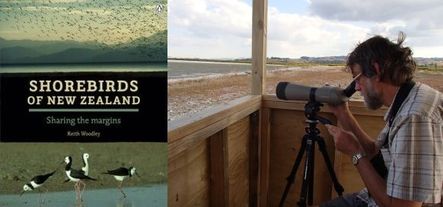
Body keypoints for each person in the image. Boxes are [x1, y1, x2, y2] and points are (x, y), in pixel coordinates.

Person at [321, 32, 443, 207]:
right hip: (374, 197)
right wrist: (343, 113)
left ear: (376, 71)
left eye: (357, 78)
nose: (356, 87)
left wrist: (355, 153)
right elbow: (375, 154)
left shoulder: (413, 118)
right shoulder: (410, 97)